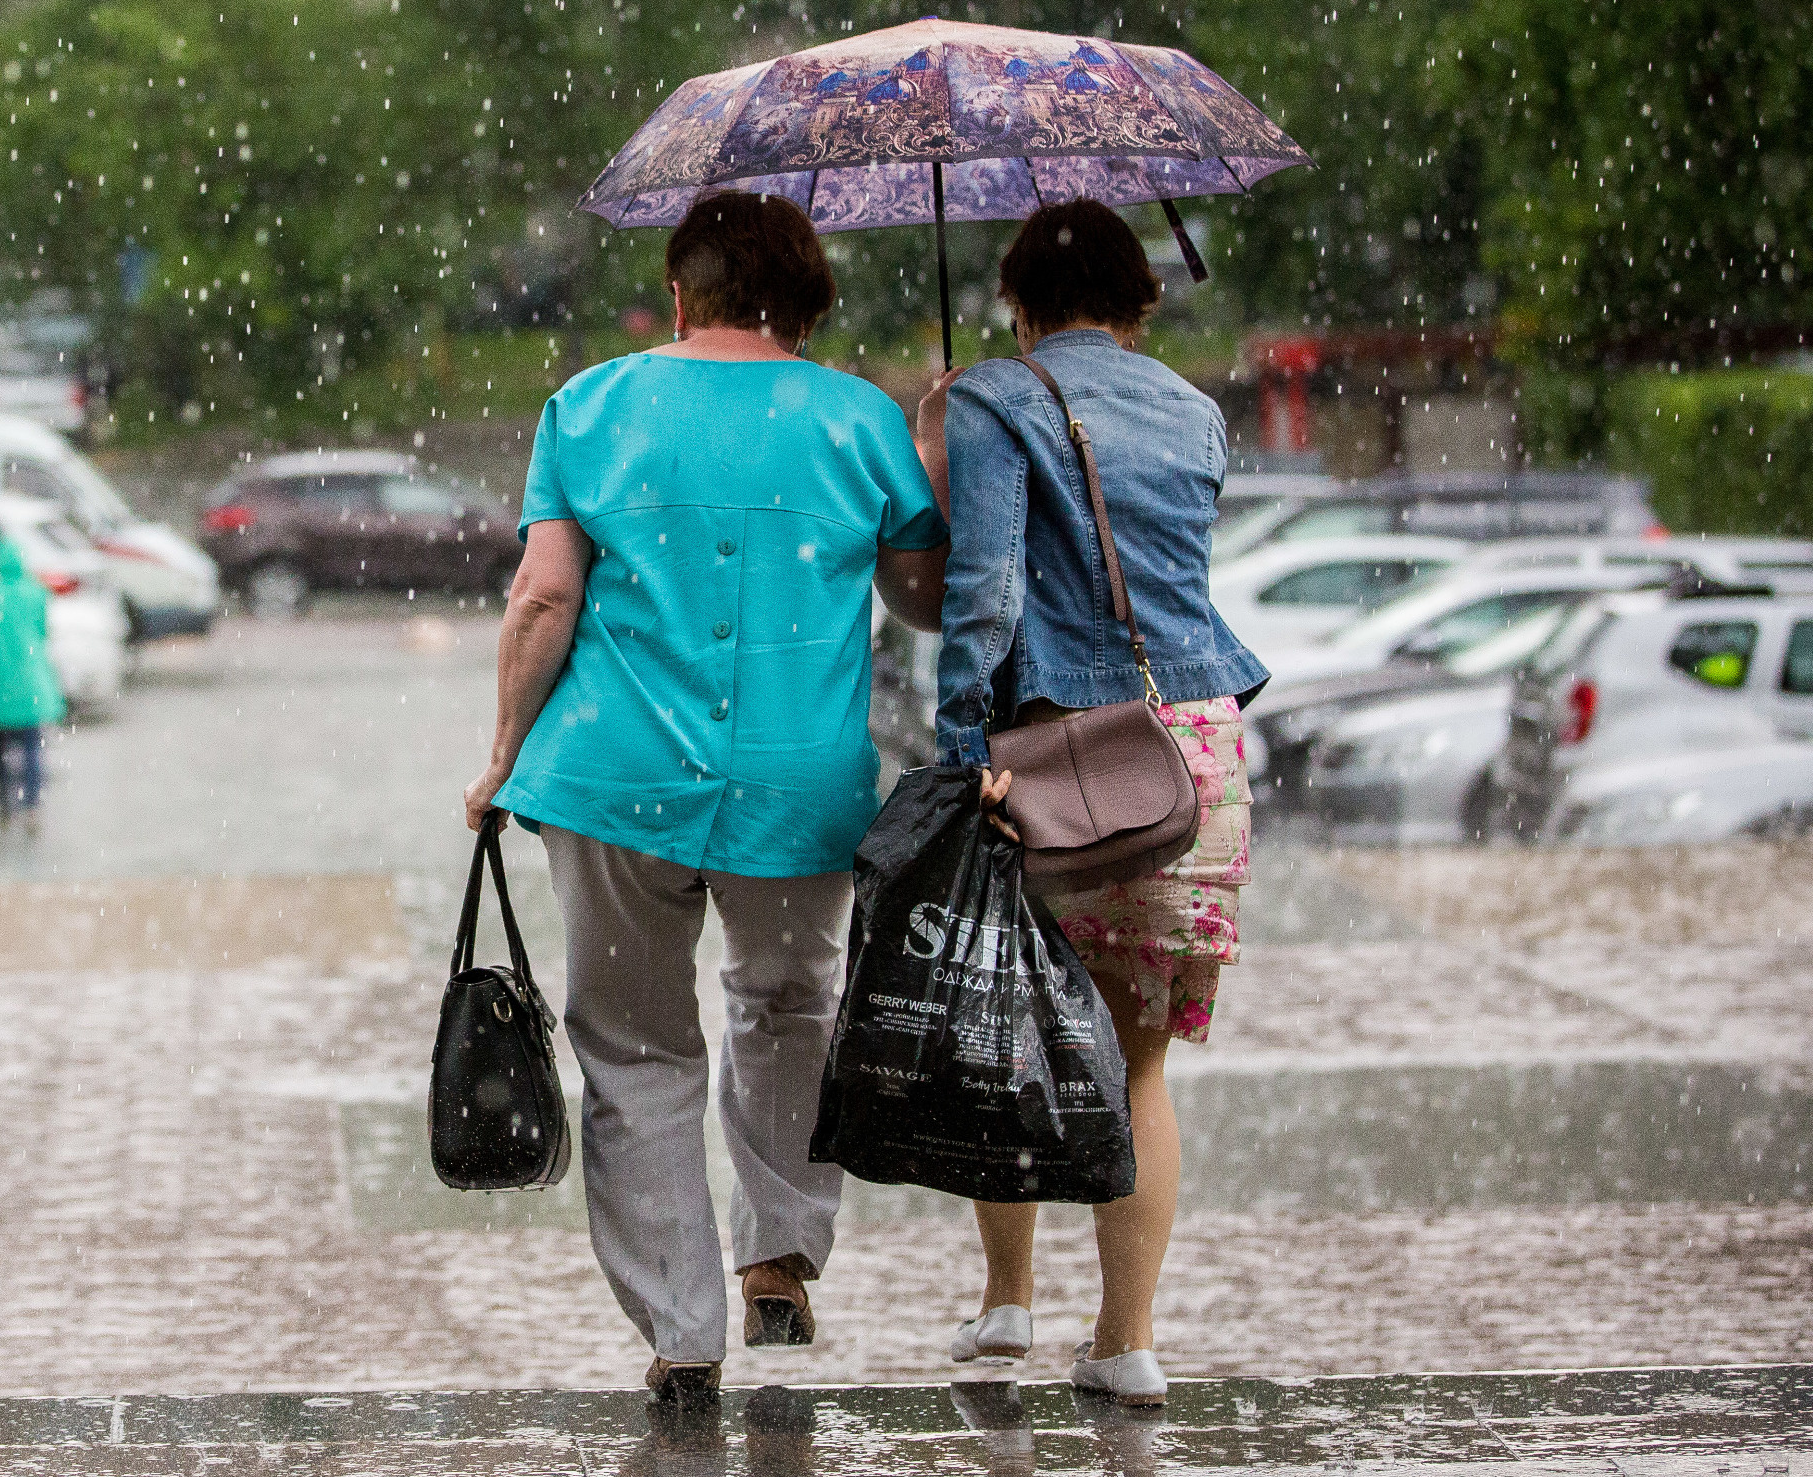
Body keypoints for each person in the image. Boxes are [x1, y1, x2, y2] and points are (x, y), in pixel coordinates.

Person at [463, 190, 950, 1410]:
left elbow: (542, 601)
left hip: (614, 778)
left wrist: (501, 752)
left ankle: (684, 1336)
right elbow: (928, 599)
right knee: (789, 1001)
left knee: (633, 1046)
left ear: (681, 293)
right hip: (802, 788)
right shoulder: (858, 418)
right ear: (802, 300)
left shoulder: (594, 404)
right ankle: (779, 1246)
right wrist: (932, 449)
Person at [916, 196, 1270, 1406]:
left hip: (1062, 759)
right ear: (1142, 299)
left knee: (1004, 1034)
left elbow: (989, 593)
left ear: (1015, 295)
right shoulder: (1195, 409)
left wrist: (964, 747)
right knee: (1139, 1065)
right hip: (1194, 755)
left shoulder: (998, 400)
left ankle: (1007, 1306)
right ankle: (1126, 1339)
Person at [0, 532, 64, 832]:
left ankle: (4, 805)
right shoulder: (37, 594)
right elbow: (44, 633)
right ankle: (32, 805)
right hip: (32, 684)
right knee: (33, 748)